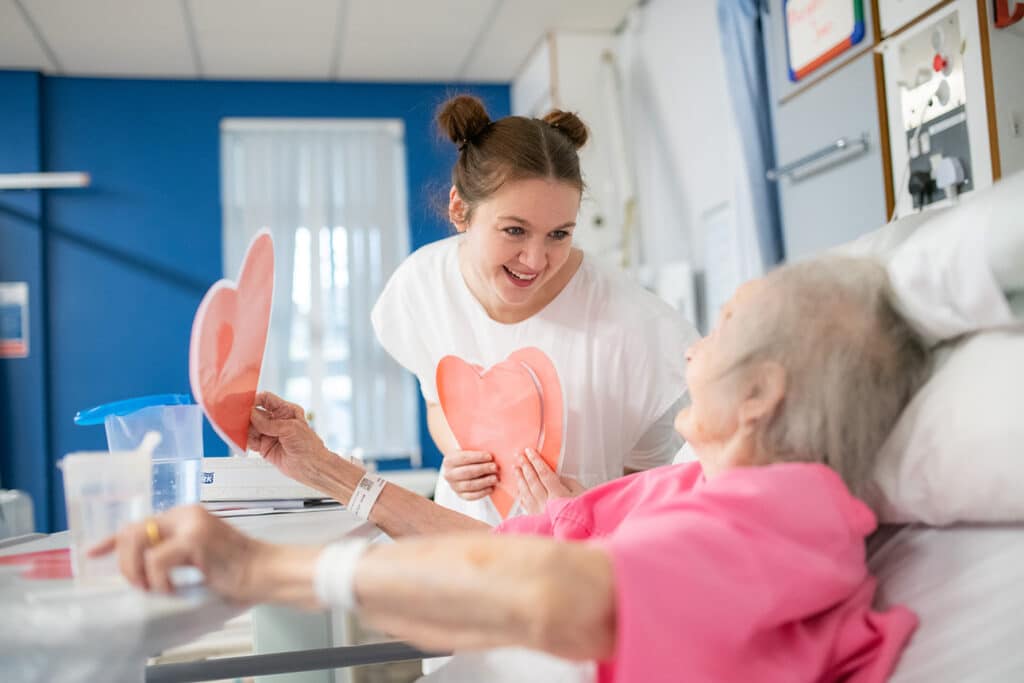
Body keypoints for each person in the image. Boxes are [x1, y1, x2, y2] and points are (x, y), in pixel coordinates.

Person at [95, 255, 931, 683]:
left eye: (719, 328)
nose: (688, 348)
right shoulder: (687, 487)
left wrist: (266, 569)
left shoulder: (777, 518)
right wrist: (326, 469)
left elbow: (548, 592)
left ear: (758, 394)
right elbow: (495, 554)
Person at [370, 94, 699, 524]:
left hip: (571, 568)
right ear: (459, 209)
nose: (535, 260)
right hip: (463, 548)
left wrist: (589, 512)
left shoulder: (636, 325)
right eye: (514, 230)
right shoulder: (422, 287)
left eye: (559, 234)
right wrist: (458, 454)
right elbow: (438, 403)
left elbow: (659, 481)